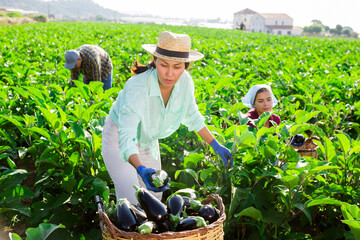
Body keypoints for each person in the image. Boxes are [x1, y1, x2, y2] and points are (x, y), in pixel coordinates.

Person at [101, 31, 232, 204]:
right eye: (164, 65)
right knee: (132, 201)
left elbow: (192, 116)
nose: (169, 74)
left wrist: (214, 144)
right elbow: (127, 136)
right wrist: (140, 168)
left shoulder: (185, 82)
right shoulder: (137, 86)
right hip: (119, 138)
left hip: (147, 138)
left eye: (177, 67)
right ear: (154, 61)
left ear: (185, 66)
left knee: (154, 198)